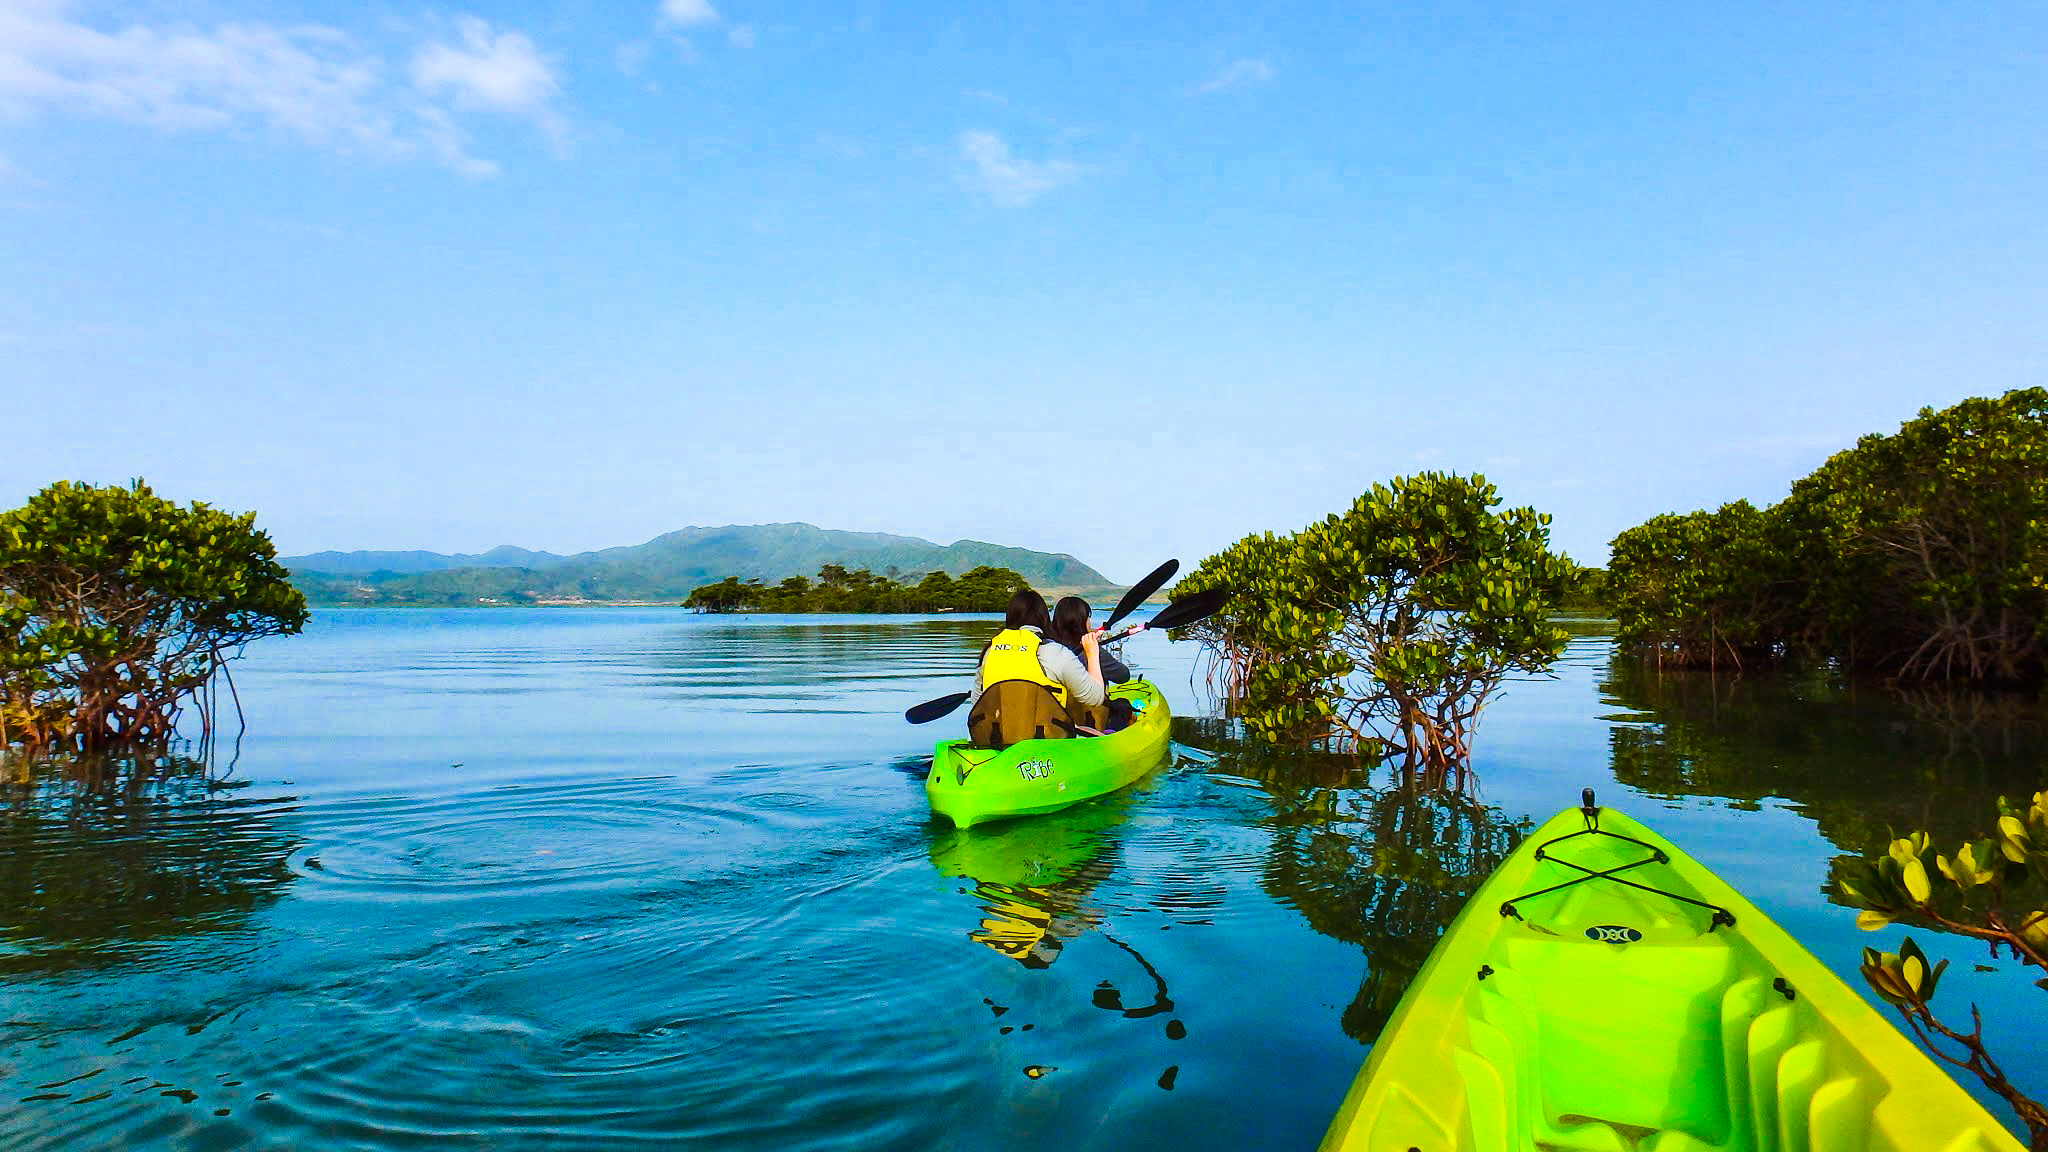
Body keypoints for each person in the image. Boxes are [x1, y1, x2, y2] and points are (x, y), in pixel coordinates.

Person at [967, 589, 1104, 748]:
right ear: (1044, 618)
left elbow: (977, 706)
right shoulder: (1057, 653)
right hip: (1046, 745)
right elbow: (1096, 698)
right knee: (1094, 732)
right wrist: (1092, 653)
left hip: (998, 742)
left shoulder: (989, 652)